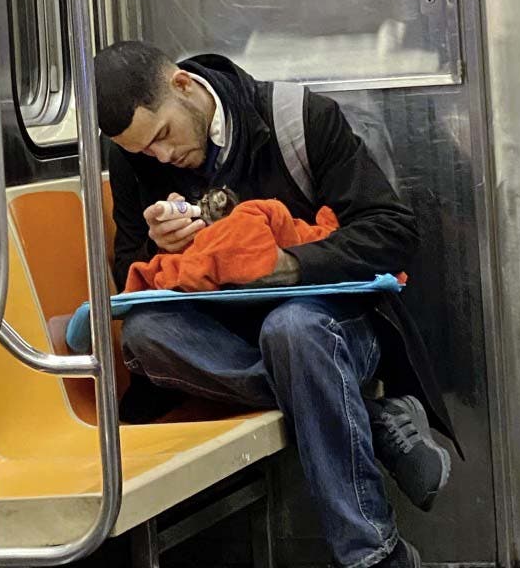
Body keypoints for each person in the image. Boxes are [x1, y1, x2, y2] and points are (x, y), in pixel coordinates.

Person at [94, 40, 459, 568]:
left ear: (183, 85)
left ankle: (372, 556)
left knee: (293, 330)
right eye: (145, 152)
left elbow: (393, 230)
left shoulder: (300, 118)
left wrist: (289, 265)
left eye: (164, 137)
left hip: (331, 323)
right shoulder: (134, 161)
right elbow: (130, 278)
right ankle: (376, 419)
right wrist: (158, 246)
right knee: (148, 335)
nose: (163, 158)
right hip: (224, 339)